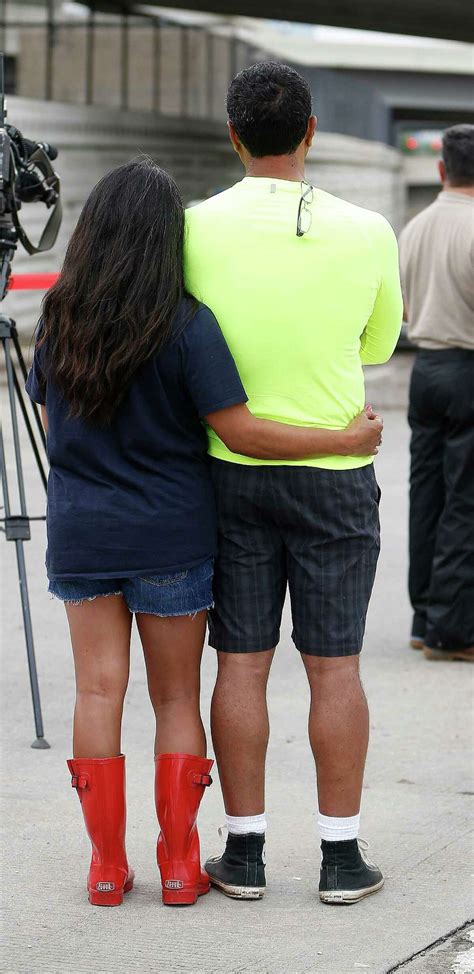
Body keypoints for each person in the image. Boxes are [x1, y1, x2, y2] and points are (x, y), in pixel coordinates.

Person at [25, 158, 383, 909]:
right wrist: (343, 441)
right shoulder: (185, 324)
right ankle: (183, 866)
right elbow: (239, 430)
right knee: (176, 698)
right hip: (172, 534)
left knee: (97, 690)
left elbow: (55, 431)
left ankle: (105, 867)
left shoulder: (58, 316)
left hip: (83, 532)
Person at [185, 61, 402, 904]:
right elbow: (378, 347)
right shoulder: (369, 229)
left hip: (231, 472)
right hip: (338, 472)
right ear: (310, 133)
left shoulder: (191, 227)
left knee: (240, 664)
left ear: (233, 136)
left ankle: (244, 855)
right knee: (335, 667)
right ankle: (341, 859)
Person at [399, 124, 474, 663]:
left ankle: (425, 617)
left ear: (441, 169)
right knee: (465, 501)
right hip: (468, 369)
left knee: (427, 494)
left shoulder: (414, 227)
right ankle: (453, 630)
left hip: (424, 369)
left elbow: (399, 309)